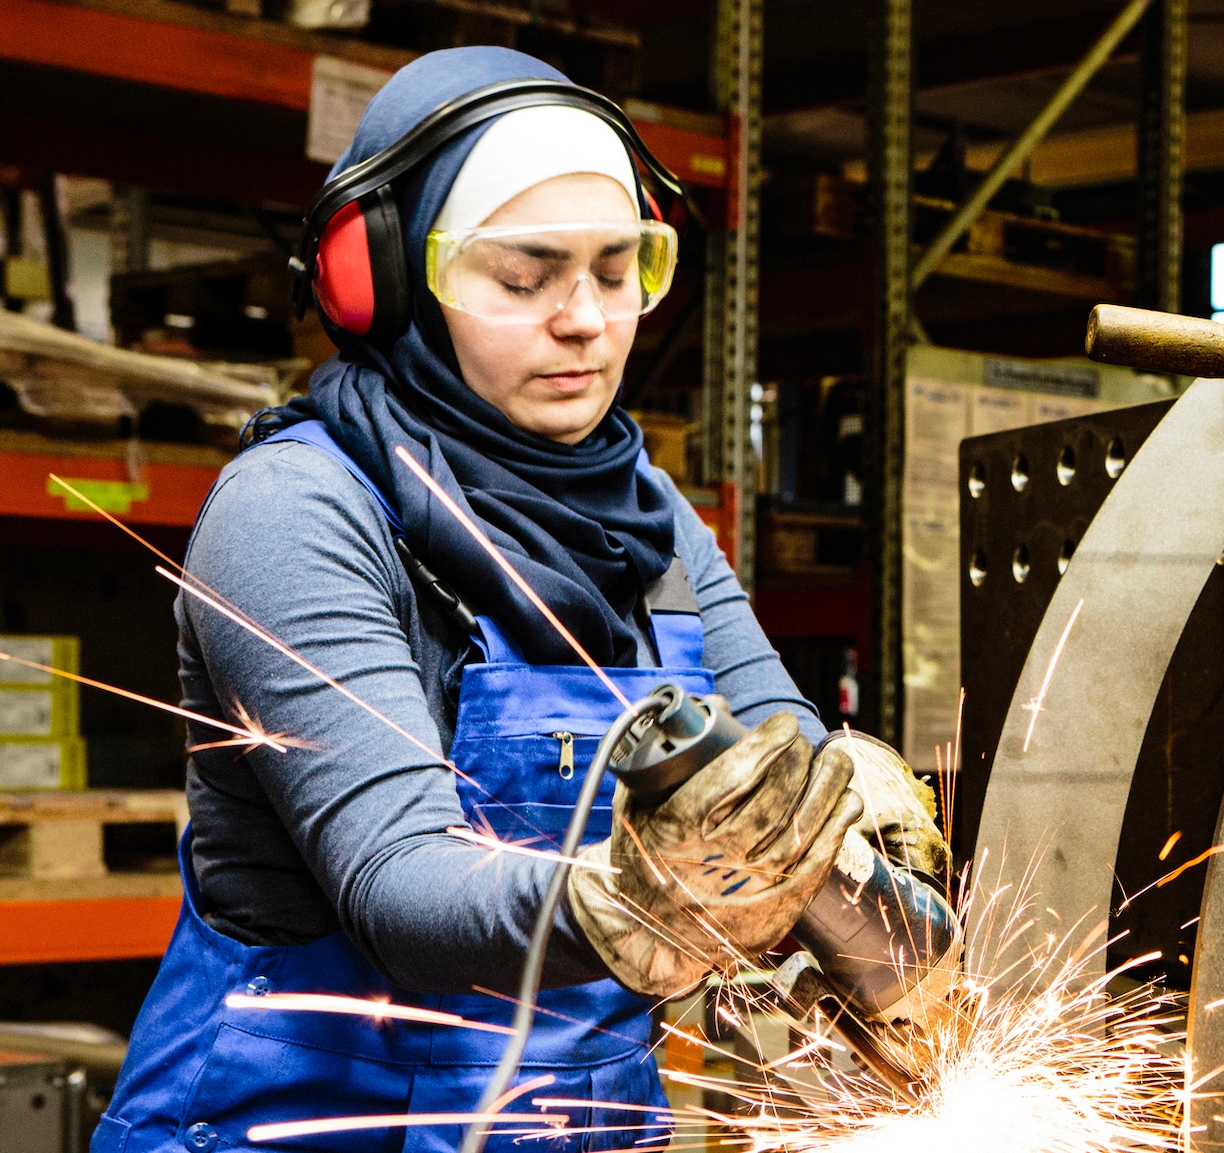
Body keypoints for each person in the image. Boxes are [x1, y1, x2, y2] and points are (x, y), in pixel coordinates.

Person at [92, 47, 947, 1153]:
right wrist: (623, 905)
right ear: (386, 279)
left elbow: (778, 769)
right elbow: (400, 880)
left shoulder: (647, 522)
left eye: (617, 267)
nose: (586, 318)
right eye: (525, 274)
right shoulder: (296, 510)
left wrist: (851, 879)